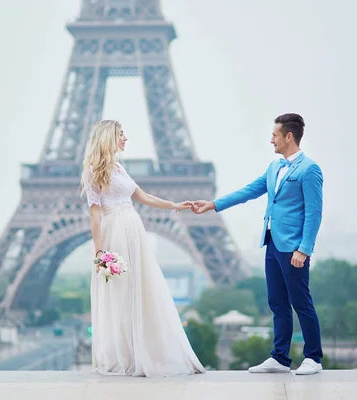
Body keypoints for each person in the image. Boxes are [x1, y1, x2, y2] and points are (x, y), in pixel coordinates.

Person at [192, 113, 324, 375]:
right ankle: (280, 357)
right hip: (273, 243)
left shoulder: (309, 170)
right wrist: (214, 204)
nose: (271, 140)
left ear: (289, 136)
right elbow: (249, 190)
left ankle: (313, 357)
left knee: (301, 302)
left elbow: (314, 213)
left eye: (274, 135)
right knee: (276, 302)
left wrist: (304, 249)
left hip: (293, 247)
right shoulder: (275, 167)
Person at [81, 119, 205, 377]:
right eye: (121, 135)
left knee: (141, 288)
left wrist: (175, 205)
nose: (125, 139)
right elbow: (95, 216)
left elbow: (144, 197)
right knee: (122, 293)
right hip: (113, 231)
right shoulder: (94, 171)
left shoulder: (119, 168)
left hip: (133, 229)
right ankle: (126, 355)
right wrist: (99, 252)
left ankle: (141, 353)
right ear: (109, 138)